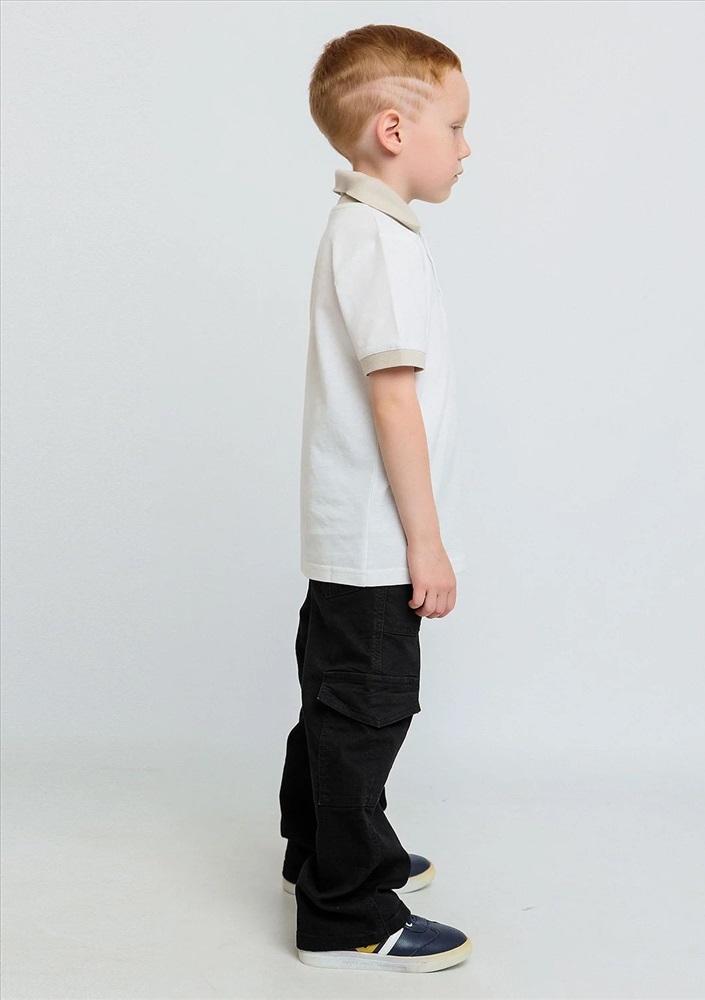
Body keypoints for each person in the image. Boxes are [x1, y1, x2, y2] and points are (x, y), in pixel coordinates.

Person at [278, 23, 473, 974]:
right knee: (368, 713)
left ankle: (319, 855)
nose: (468, 147)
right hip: (375, 540)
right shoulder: (381, 243)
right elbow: (394, 400)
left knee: (333, 703)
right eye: (457, 126)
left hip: (346, 533)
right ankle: (347, 912)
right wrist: (425, 546)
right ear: (395, 130)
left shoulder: (362, 229)